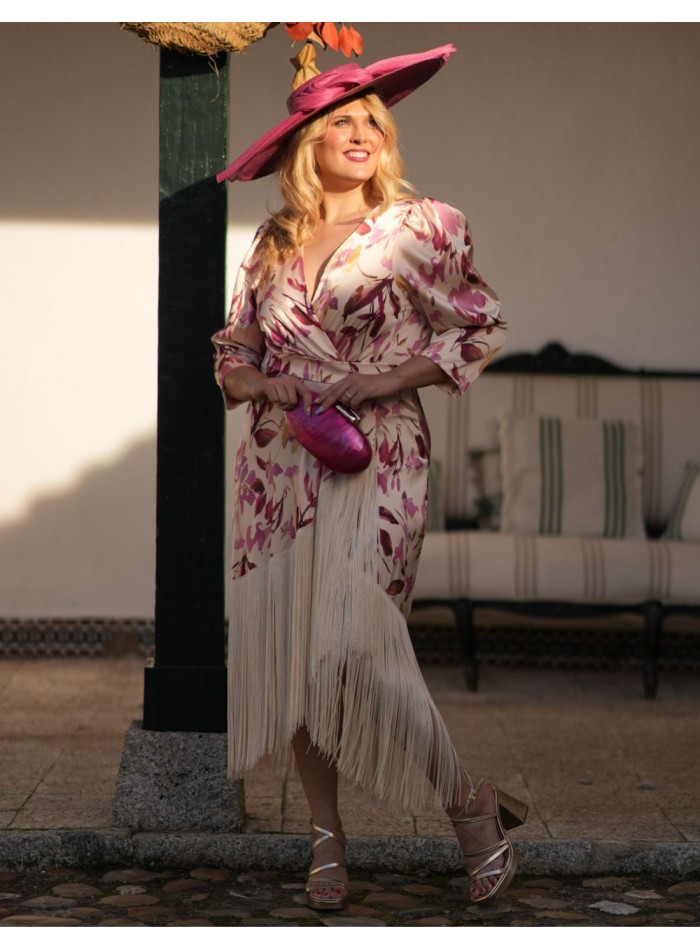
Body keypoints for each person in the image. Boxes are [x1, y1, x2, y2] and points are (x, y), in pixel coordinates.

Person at [212, 44, 527, 909]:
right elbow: (234, 350)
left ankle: (467, 803)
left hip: (378, 455)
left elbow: (479, 327)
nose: (361, 134)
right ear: (305, 144)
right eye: (341, 122)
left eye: (371, 122)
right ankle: (326, 838)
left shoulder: (423, 226)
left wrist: (386, 378)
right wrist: (259, 383)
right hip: (279, 464)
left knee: (356, 642)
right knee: (300, 656)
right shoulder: (272, 242)